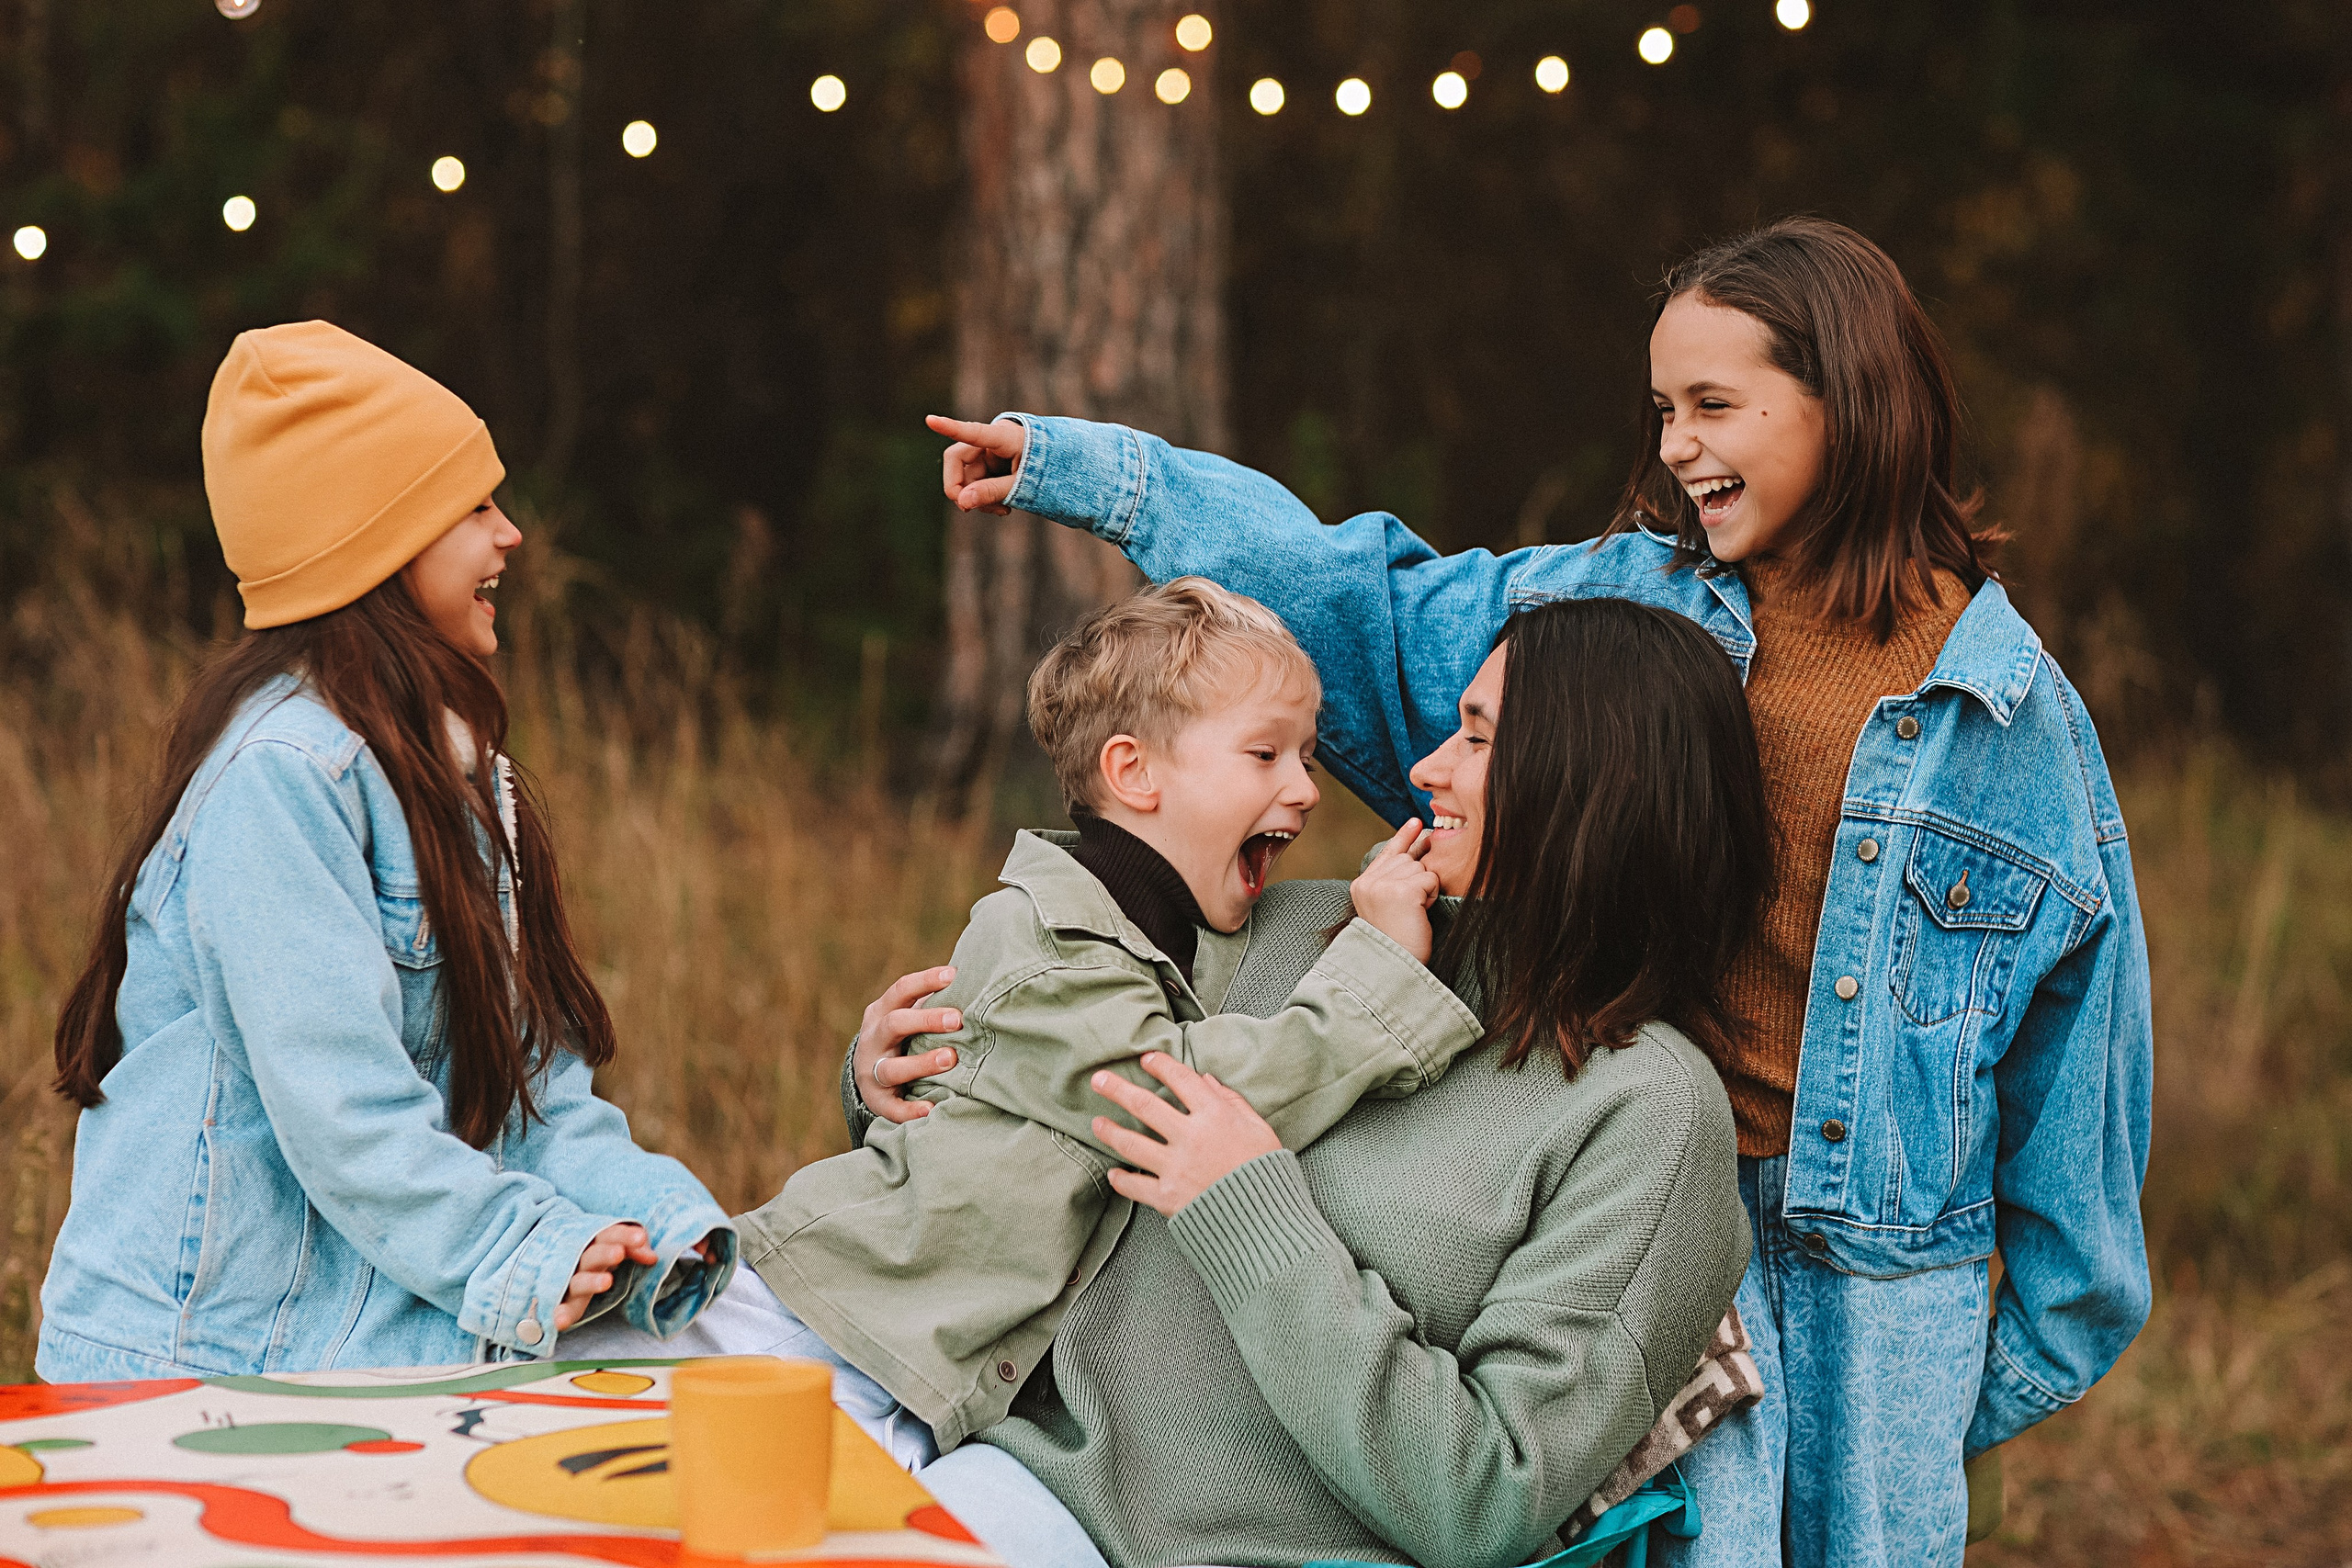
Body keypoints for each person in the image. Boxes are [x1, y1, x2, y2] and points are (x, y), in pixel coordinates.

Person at [923, 215, 2154, 1566]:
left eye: (1714, 404)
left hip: (1875, 1287)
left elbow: (2078, 1086)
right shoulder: (1619, 610)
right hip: (1634, 1189)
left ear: (1850, 399)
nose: (1677, 443)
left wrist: (1943, 1397)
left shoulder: (2014, 727)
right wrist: (1098, 474)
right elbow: (1357, 594)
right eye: (1662, 408)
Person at [854, 596, 1764, 1568]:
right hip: (1014, 1474)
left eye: (1475, 739)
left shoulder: (1650, 1113)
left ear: (1593, 782)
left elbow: (1488, 1503)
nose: (1426, 770)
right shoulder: (1292, 927)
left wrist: (1246, 1205)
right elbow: (1065, 1078)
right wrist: (903, 1072)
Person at [582, 576, 1486, 1462]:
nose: (1307, 788)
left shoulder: (1179, 937)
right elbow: (1189, 1102)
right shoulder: (1042, 939)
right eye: (1265, 755)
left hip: (928, 1384)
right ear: (1132, 771)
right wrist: (1381, 978)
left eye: (1309, 757)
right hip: (829, 1322)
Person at [40, 321, 732, 1382]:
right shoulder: (280, 777)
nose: (510, 537)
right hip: (209, 1364)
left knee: (728, 1370)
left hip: (369, 1328)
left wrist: (652, 1227)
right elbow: (343, 1112)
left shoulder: (450, 776)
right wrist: (529, 1248)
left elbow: (534, 1092)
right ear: (375, 541)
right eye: (474, 508)